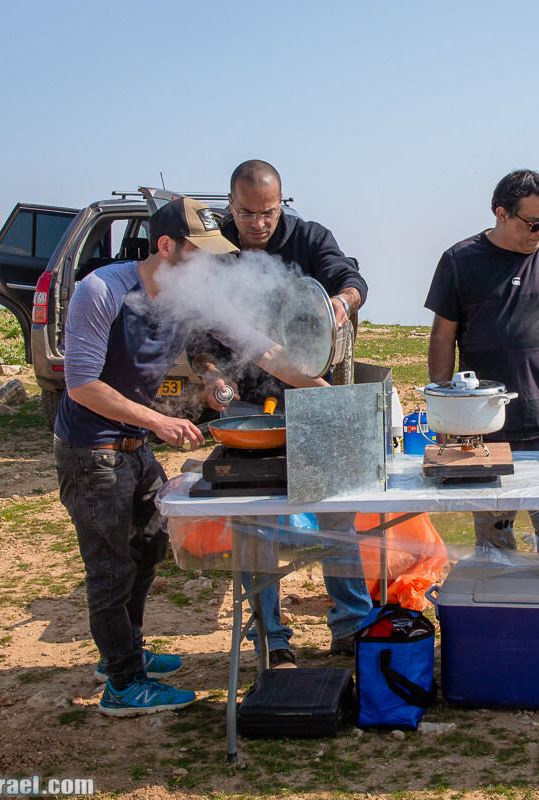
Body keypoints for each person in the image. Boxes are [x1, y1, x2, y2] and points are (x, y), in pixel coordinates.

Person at [55, 197, 325, 716]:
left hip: (134, 447)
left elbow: (264, 350)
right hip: (92, 452)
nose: (209, 264)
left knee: (148, 551)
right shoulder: (101, 291)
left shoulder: (191, 298)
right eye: (198, 252)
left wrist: (328, 392)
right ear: (166, 246)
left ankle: (126, 653)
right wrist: (158, 421)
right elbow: (82, 384)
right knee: (111, 567)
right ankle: (122, 684)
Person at [191, 160, 372, 664]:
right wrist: (211, 375)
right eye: (247, 213)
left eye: (268, 212)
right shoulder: (214, 250)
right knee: (257, 524)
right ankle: (271, 639)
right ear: (231, 205)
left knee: (336, 511)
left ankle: (352, 627)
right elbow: (198, 337)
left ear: (281, 203)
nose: (258, 224)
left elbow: (351, 278)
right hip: (249, 404)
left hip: (312, 395)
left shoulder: (310, 238)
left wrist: (342, 301)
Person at [425, 169, 539, 553]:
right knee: (493, 543)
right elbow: (442, 338)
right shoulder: (459, 260)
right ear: (501, 214)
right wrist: (444, 413)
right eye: (534, 224)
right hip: (483, 427)